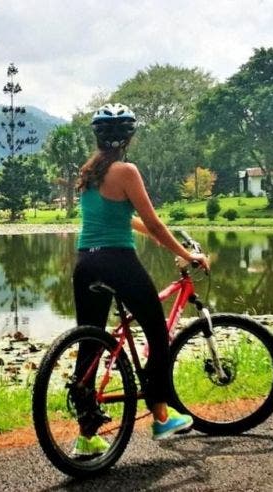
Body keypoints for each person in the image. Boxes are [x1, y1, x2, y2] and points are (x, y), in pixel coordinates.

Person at [69, 103, 210, 456]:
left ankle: (86, 437)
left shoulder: (89, 172)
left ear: (97, 136)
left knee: (91, 343)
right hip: (118, 261)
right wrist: (188, 254)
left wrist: (147, 234)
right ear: (129, 136)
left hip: (86, 262)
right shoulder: (126, 170)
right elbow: (157, 222)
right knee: (157, 332)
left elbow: (118, 218)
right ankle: (162, 416)